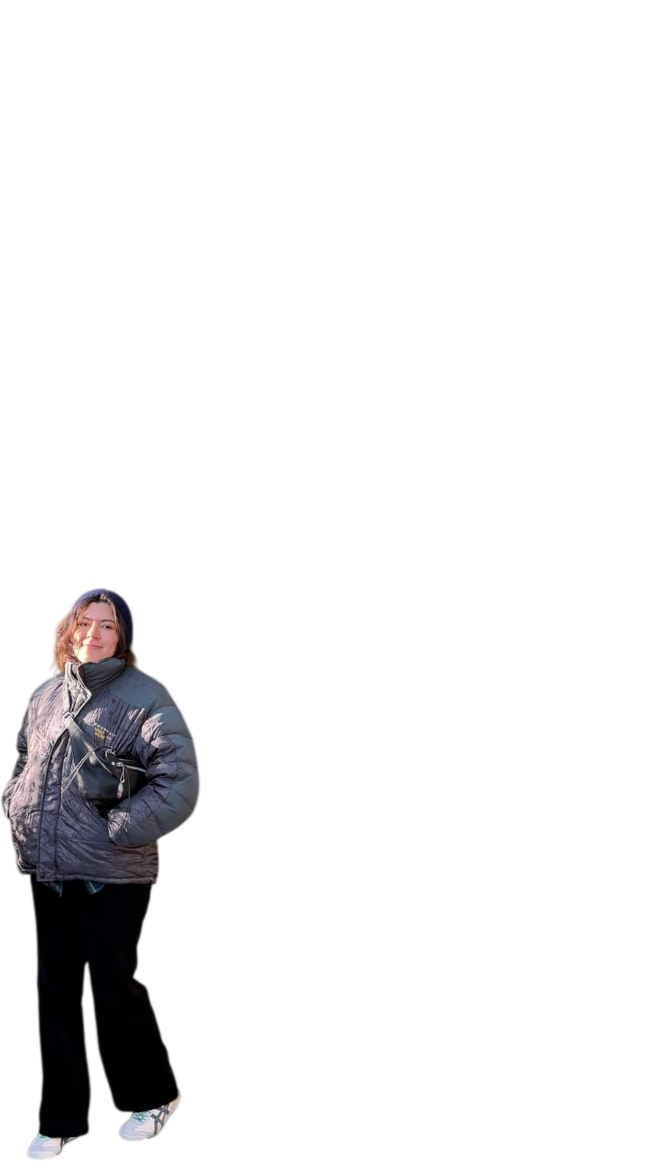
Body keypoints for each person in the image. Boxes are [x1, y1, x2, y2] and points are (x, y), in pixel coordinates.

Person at [4, 586, 197, 1158]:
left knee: (114, 988)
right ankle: (61, 1119)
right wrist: (16, 806)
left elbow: (178, 780)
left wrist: (119, 829)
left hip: (113, 877)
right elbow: (24, 763)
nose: (94, 633)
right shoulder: (46, 698)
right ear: (70, 631)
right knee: (56, 994)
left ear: (122, 638)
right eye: (85, 623)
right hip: (50, 872)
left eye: (107, 625)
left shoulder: (145, 697)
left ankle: (150, 1098)